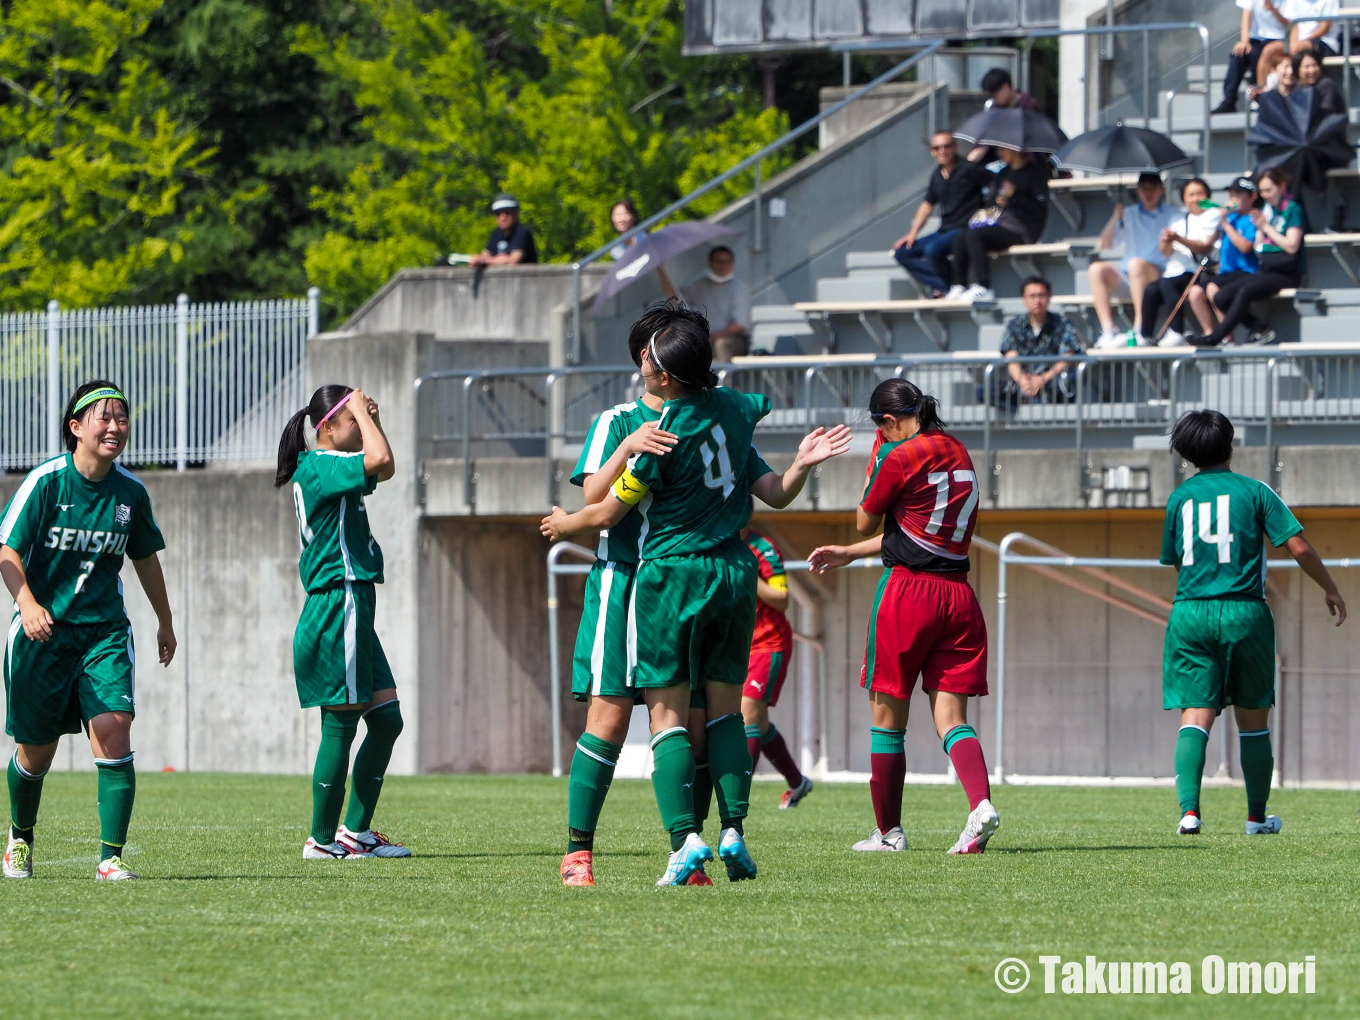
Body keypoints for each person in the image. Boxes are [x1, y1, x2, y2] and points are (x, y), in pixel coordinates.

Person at [541, 305, 850, 886]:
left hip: (664, 577)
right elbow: (594, 485)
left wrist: (566, 523)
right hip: (631, 578)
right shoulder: (634, 418)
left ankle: (686, 846)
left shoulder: (689, 423)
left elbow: (600, 509)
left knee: (689, 723)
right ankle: (580, 852)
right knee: (609, 719)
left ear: (658, 367)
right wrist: (627, 442)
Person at [807, 379, 998, 856]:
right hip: (959, 597)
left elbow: (864, 518)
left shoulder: (897, 454)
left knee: (887, 719)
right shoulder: (956, 448)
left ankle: (890, 833)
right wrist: (850, 554)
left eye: (881, 430)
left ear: (889, 422)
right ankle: (980, 806)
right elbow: (915, 529)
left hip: (908, 594)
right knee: (951, 718)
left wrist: (877, 454)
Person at [1, 381, 175, 881]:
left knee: (114, 727)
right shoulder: (46, 483)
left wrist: (165, 621)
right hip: (43, 635)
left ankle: (110, 857)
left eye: (122, 418)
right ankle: (20, 839)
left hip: (103, 632)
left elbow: (145, 558)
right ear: (76, 428)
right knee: (36, 752)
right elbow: (6, 550)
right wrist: (28, 604)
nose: (116, 427)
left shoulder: (131, 492)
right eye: (104, 417)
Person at [1160, 410, 1345, 836]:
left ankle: (1189, 812)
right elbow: (1298, 547)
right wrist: (1330, 588)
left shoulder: (1179, 498)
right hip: (1245, 611)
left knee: (1195, 713)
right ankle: (1256, 818)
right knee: (1254, 721)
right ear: (1231, 445)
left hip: (1190, 611)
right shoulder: (1256, 491)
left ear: (1187, 454)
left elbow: (1178, 562)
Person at [274, 385, 411, 861]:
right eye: (350, 418)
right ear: (326, 428)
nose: (361, 422)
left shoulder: (330, 467)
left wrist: (368, 417)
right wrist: (360, 411)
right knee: (341, 724)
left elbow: (384, 464)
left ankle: (355, 832)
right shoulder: (323, 464)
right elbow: (380, 459)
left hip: (352, 604)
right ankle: (322, 839)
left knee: (386, 720)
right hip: (339, 603)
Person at [1184, 169, 1303, 348]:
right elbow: (1257, 246)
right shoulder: (1266, 211)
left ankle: (1215, 338)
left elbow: (1292, 246)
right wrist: (1260, 231)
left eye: (1269, 190)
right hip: (1267, 268)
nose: (1266, 195)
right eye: (1263, 191)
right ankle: (1259, 328)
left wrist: (1265, 227)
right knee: (1221, 298)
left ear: (1282, 187)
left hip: (1285, 270)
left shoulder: (1292, 209)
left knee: (1243, 292)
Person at [740, 517, 812, 809]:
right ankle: (797, 782)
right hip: (737, 645)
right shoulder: (717, 541)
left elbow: (782, 598)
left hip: (768, 644)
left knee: (748, 715)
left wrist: (749, 575)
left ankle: (736, 797)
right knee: (757, 720)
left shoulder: (762, 548)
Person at [946, 147, 1049, 303]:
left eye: (1003, 150)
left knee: (975, 234)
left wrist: (1015, 197)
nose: (999, 153)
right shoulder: (1003, 173)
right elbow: (991, 202)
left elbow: (1039, 209)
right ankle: (958, 285)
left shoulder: (1034, 174)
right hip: (999, 224)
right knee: (962, 234)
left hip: (1022, 231)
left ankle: (983, 286)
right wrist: (998, 200)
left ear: (1014, 150)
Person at [1089, 173, 1181, 348]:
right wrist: (1115, 217)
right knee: (1096, 269)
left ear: (1161, 190)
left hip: (1158, 275)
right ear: (1138, 190)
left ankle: (1141, 329)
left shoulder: (1173, 213)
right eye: (1144, 188)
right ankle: (1108, 331)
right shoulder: (1127, 213)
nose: (1148, 192)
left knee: (1135, 265)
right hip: (1128, 277)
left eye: (1152, 188)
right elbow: (1104, 244)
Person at [892, 132, 987, 298]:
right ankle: (945, 286)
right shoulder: (937, 175)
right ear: (932, 152)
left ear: (955, 147)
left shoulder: (969, 169)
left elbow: (996, 184)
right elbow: (927, 205)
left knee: (932, 250)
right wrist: (912, 234)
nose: (942, 151)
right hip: (945, 229)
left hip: (965, 229)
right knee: (902, 253)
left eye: (946, 146)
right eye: (937, 148)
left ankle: (955, 286)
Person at [1181, 177, 1262, 344]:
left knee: (1212, 288)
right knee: (1195, 293)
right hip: (1225, 271)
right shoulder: (1231, 218)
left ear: (1252, 196)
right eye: (1231, 195)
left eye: (1238, 195)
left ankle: (1226, 335)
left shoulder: (1253, 218)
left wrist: (1225, 224)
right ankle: (1209, 332)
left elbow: (1246, 247)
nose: (1233, 199)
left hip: (1246, 270)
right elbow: (1210, 243)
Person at [1144, 178, 1222, 346]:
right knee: (1150, 290)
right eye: (1191, 195)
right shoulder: (1179, 219)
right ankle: (1145, 336)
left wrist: (1178, 238)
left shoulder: (1214, 215)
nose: (1195, 199)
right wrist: (1166, 242)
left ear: (1208, 196)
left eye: (1200, 194)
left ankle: (1176, 331)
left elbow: (1204, 247)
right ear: (1184, 199)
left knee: (1167, 284)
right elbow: (1165, 252)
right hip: (1174, 270)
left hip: (1196, 271)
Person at [988, 276, 1084, 406]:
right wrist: (1023, 381)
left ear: (1049, 297)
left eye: (1041, 295)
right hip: (1023, 381)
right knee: (985, 391)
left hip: (1052, 380)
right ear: (1024, 300)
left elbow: (1067, 358)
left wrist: (1042, 379)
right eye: (1032, 296)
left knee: (1064, 386)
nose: (1037, 300)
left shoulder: (1063, 323)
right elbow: (1012, 359)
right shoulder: (1015, 325)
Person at [663, 246, 753, 362]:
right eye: (718, 261)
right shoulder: (700, 285)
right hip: (706, 338)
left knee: (721, 344)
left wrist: (713, 337)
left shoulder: (740, 288)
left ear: (732, 264)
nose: (722, 265)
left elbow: (740, 325)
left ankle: (722, 380)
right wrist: (662, 272)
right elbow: (675, 299)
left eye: (726, 261)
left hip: (735, 341)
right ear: (710, 263)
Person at [1213, 0, 1291, 114]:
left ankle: (1257, 95)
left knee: (1255, 53)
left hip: (1280, 39)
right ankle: (1229, 100)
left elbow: (1289, 25)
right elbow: (1246, 15)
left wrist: (1273, 10)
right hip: (1257, 39)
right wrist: (1244, 41)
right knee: (1238, 55)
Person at [469, 194, 538, 266]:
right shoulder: (496, 233)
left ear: (516, 213)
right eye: (498, 213)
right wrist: (477, 260)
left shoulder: (522, 232)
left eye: (507, 213)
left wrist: (485, 261)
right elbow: (484, 256)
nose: (502, 217)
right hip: (502, 276)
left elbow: (513, 261)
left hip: (525, 276)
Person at [1293, 47, 1346, 116]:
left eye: (1314, 65)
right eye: (1307, 66)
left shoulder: (1326, 85)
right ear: (1297, 70)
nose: (1312, 70)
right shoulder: (1296, 88)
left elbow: (1326, 112)